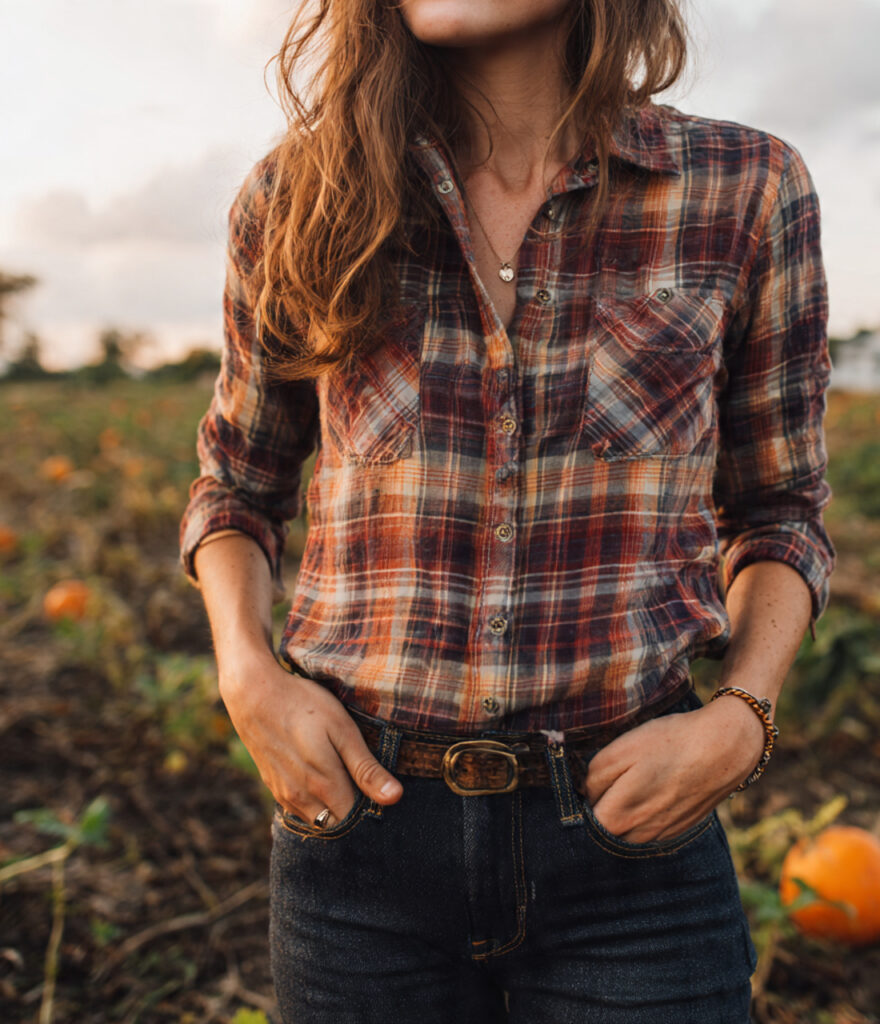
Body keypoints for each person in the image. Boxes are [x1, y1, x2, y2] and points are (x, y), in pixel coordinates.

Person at [179, 0, 835, 1020]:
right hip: (360, 836)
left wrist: (742, 714)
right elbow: (237, 482)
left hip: (632, 841)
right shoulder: (300, 196)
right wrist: (246, 673)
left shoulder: (744, 190)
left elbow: (781, 503)